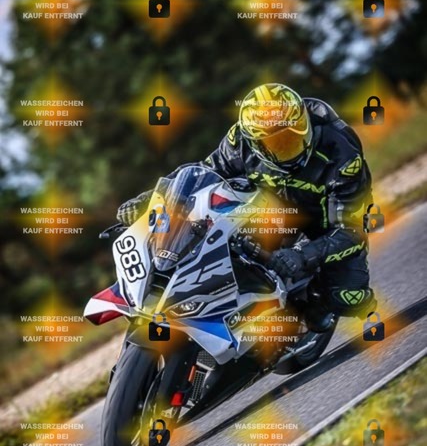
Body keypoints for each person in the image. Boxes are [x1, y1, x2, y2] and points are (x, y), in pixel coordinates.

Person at [117, 83, 376, 331]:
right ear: (254, 142)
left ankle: (310, 309)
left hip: (324, 220)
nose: (286, 148)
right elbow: (202, 173)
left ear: (305, 123)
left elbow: (353, 229)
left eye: (292, 137)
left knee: (347, 297)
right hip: (267, 208)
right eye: (275, 144)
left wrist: (305, 254)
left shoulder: (342, 154)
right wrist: (149, 200)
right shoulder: (239, 141)